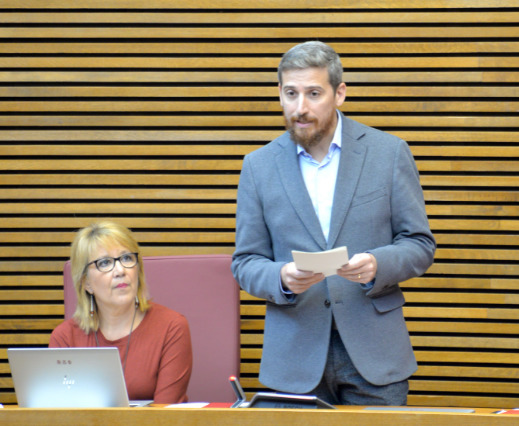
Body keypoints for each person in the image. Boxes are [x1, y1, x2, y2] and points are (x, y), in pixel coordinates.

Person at [231, 41, 436, 406]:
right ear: (279, 94)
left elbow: (419, 244)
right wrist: (281, 278)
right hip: (293, 358)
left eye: (313, 93)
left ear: (339, 93)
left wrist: (378, 264)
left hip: (375, 356)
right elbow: (245, 262)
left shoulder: (388, 153)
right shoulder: (258, 166)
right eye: (291, 94)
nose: (300, 108)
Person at [49, 221, 192, 404]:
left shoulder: (172, 327)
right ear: (86, 283)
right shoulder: (65, 338)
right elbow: (57, 413)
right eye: (105, 262)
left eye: (126, 258)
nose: (120, 270)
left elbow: (165, 417)